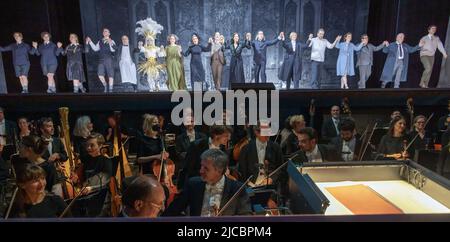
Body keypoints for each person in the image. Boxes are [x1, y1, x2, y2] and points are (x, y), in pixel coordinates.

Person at [164, 149, 252, 217]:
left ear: (219, 170)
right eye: (201, 166)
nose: (201, 171)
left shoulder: (237, 189)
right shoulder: (193, 184)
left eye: (206, 168)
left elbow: (245, 217)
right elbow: (172, 212)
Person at [179, 125, 232, 189]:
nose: (229, 138)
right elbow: (188, 169)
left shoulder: (223, 149)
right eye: (226, 136)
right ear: (216, 135)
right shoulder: (196, 146)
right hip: (198, 184)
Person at [237, 121, 283, 186]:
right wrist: (248, 184)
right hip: (252, 184)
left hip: (270, 184)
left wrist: (271, 179)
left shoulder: (276, 147)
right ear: (256, 132)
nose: (268, 134)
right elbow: (242, 171)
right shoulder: (246, 149)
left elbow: (280, 168)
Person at [86, 28, 117, 93]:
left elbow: (113, 50)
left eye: (106, 31)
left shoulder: (112, 41)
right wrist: (90, 41)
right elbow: (95, 49)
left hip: (109, 59)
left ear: (109, 33)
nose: (105, 32)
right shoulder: (100, 41)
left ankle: (111, 90)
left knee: (110, 75)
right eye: (104, 31)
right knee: (100, 75)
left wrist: (110, 42)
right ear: (103, 33)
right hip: (101, 60)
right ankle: (105, 85)